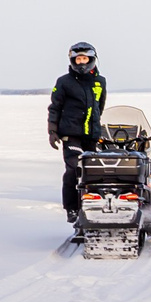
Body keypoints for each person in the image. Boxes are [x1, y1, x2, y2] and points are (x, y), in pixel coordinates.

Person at [48, 41, 106, 226]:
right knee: (74, 169)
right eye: (78, 59)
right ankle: (72, 208)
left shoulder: (100, 81)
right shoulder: (64, 82)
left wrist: (97, 126)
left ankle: (95, 204)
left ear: (91, 59)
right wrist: (52, 130)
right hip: (70, 133)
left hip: (92, 133)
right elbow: (55, 107)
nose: (81, 62)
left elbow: (100, 105)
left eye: (84, 59)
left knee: (95, 171)